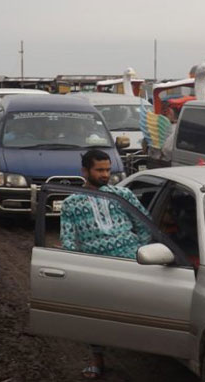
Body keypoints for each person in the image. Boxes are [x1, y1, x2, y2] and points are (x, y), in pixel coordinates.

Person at [59, 149, 151, 379]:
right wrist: (78, 267)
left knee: (141, 313)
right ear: (85, 171)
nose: (105, 174)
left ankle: (149, 357)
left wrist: (137, 249)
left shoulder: (123, 195)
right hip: (96, 268)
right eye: (99, 170)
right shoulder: (71, 203)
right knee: (94, 316)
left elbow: (144, 224)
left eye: (108, 170)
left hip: (131, 264)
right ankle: (97, 360)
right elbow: (68, 240)